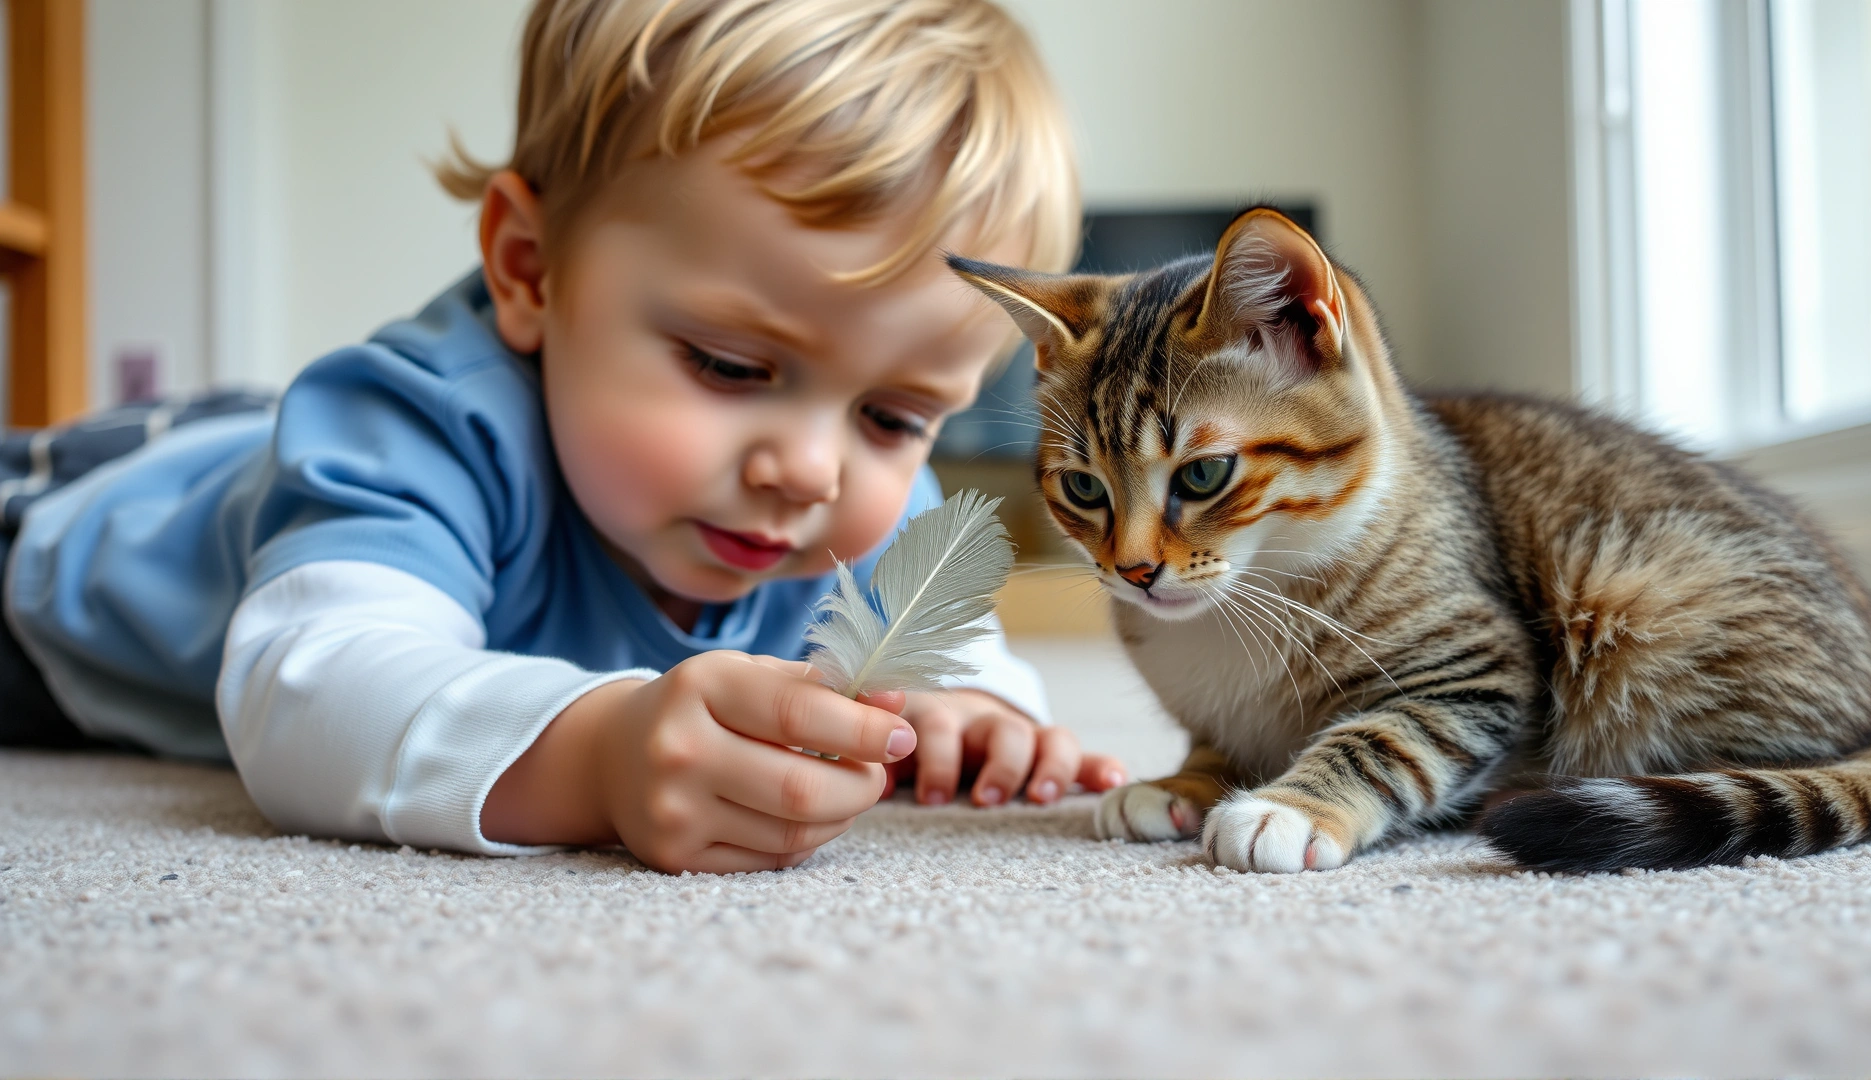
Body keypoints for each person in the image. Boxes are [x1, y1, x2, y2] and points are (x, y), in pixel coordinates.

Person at [0, 0, 1126, 873]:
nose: (812, 471)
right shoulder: (423, 424)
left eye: (894, 417)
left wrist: (975, 717)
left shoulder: (860, 505)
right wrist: (598, 756)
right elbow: (308, 693)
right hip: (65, 561)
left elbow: (952, 640)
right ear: (529, 272)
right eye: (731, 368)